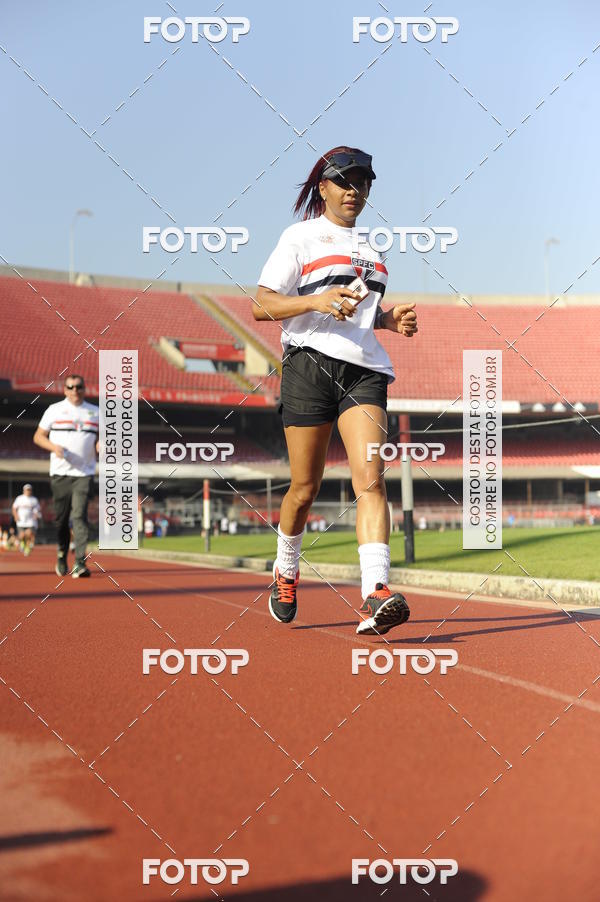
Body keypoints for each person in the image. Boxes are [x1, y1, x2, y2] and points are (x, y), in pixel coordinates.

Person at [255, 146, 418, 636]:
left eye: (363, 183)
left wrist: (388, 321)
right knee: (304, 489)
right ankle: (286, 569)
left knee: (371, 479)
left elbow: (360, 315)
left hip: (364, 371)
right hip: (308, 365)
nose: (355, 191)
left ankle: (376, 592)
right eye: (345, 181)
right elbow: (262, 305)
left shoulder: (373, 248)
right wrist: (316, 299)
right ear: (322, 187)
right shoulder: (300, 236)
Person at [33, 374, 99, 578]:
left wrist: (101, 445)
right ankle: (62, 555)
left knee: (79, 516)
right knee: (61, 520)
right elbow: (38, 437)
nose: (75, 390)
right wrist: (54, 447)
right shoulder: (54, 410)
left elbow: (104, 439)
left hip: (84, 473)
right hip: (60, 473)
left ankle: (80, 562)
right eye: (70, 387)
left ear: (84, 388)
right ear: (65, 390)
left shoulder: (96, 413)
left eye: (79, 387)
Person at [12, 484, 41, 556]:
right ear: (24, 490)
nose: (28, 491)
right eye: (27, 490)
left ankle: (27, 548)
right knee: (21, 535)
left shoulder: (34, 500)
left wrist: (36, 515)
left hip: (31, 522)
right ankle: (22, 543)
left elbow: (38, 509)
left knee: (29, 534)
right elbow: (14, 508)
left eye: (29, 490)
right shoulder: (19, 498)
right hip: (21, 521)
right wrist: (16, 516)